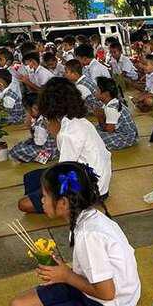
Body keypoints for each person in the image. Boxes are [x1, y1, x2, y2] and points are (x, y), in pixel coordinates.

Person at [10, 163, 139, 306]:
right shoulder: (87, 217)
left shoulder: (89, 234)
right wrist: (63, 272)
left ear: (63, 203)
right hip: (86, 286)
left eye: (45, 196)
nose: (42, 201)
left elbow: (107, 293)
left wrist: (66, 276)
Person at [18, 78, 111, 214]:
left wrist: (49, 194)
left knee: (23, 204)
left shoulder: (68, 133)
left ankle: (63, 205)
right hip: (95, 179)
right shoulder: (78, 120)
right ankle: (41, 197)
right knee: (30, 177)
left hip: (90, 191)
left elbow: (64, 171)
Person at [9, 92, 57, 164]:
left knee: (16, 150)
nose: (27, 112)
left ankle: (41, 159)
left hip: (48, 153)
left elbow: (39, 143)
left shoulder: (40, 124)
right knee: (24, 143)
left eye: (27, 110)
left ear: (35, 108)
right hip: (53, 149)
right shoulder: (45, 116)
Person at [95, 77, 140, 151]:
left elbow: (109, 130)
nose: (95, 91)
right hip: (126, 133)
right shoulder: (112, 102)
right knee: (94, 128)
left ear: (106, 94)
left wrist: (100, 117)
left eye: (97, 90)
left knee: (96, 136)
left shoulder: (111, 108)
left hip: (126, 138)